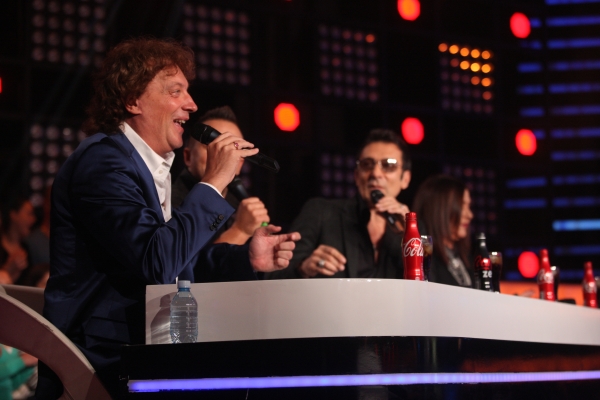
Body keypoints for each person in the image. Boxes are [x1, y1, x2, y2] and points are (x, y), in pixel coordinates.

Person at [37, 37, 300, 399]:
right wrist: (215, 182)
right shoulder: (103, 163)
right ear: (133, 100)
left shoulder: (147, 167)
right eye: (176, 91)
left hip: (147, 350)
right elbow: (156, 261)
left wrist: (246, 258)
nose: (191, 105)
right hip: (102, 359)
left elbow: (176, 263)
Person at [265, 128, 411, 280]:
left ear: (405, 179)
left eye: (388, 165)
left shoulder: (414, 229)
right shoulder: (321, 212)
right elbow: (275, 275)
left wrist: (409, 235)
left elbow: (425, 282)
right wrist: (304, 268)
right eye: (367, 164)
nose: (376, 173)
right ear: (356, 176)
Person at [172, 106, 270, 245]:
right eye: (213, 146)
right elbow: (177, 256)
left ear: (241, 163)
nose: (225, 154)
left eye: (234, 148)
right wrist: (239, 232)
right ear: (188, 157)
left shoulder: (242, 208)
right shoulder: (165, 202)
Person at [412, 174, 474, 287]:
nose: (469, 215)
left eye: (468, 206)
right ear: (439, 209)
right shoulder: (424, 259)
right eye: (461, 205)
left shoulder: (467, 258)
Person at [0, 197, 36, 285]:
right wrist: (6, 269)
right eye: (29, 214)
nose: (33, 219)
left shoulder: (27, 248)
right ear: (13, 215)